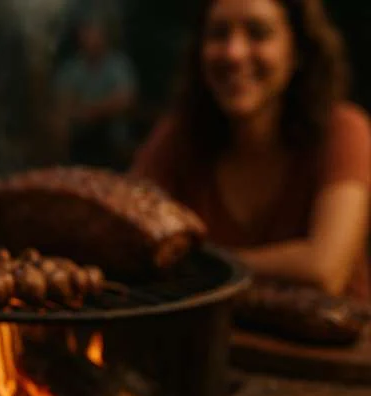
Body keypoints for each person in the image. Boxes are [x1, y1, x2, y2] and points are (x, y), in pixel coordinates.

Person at [132, 0, 371, 299]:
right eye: (218, 34)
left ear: (297, 51)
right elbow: (127, 238)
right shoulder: (178, 137)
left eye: (258, 33)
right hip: (217, 342)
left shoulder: (343, 130)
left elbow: (323, 270)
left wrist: (196, 263)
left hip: (335, 342)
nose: (233, 53)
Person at [55, 12, 137, 169]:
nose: (89, 39)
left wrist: (90, 112)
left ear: (105, 36)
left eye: (94, 33)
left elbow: (125, 100)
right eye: (85, 33)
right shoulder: (71, 69)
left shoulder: (118, 65)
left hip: (111, 138)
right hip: (78, 138)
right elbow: (64, 104)